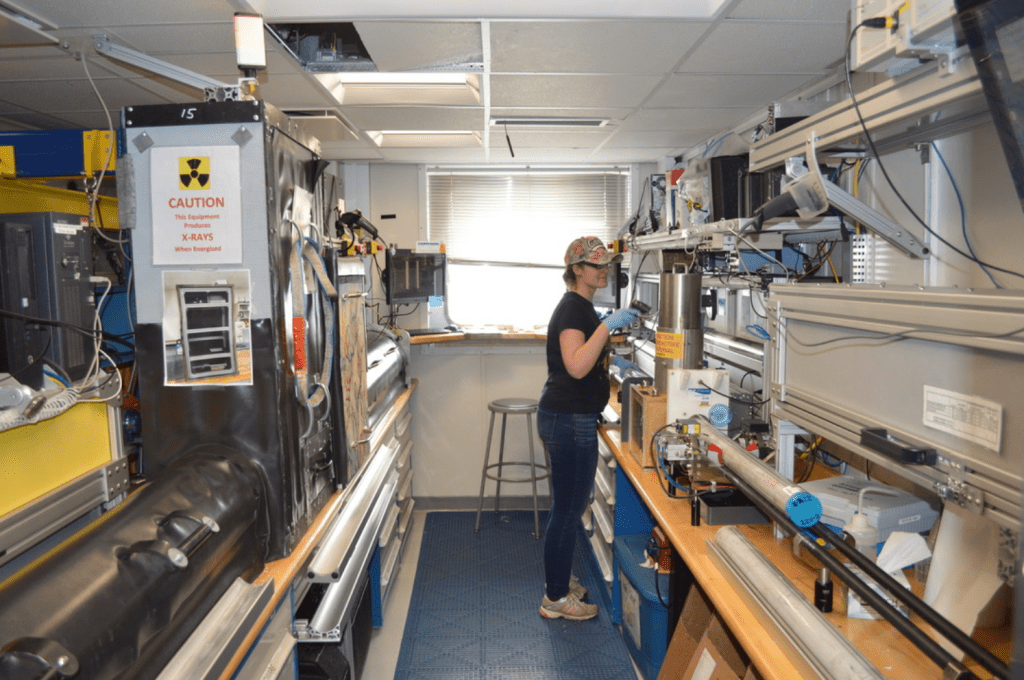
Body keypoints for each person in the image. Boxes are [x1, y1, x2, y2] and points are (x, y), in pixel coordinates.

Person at [536, 236, 639, 620]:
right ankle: (555, 599)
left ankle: (558, 582)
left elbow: (585, 364)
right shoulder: (573, 310)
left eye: (605, 265)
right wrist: (607, 327)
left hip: (568, 417)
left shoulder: (581, 308)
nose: (603, 271)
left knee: (565, 507)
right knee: (567, 510)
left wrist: (611, 362)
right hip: (568, 421)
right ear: (576, 270)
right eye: (595, 265)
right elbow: (576, 365)